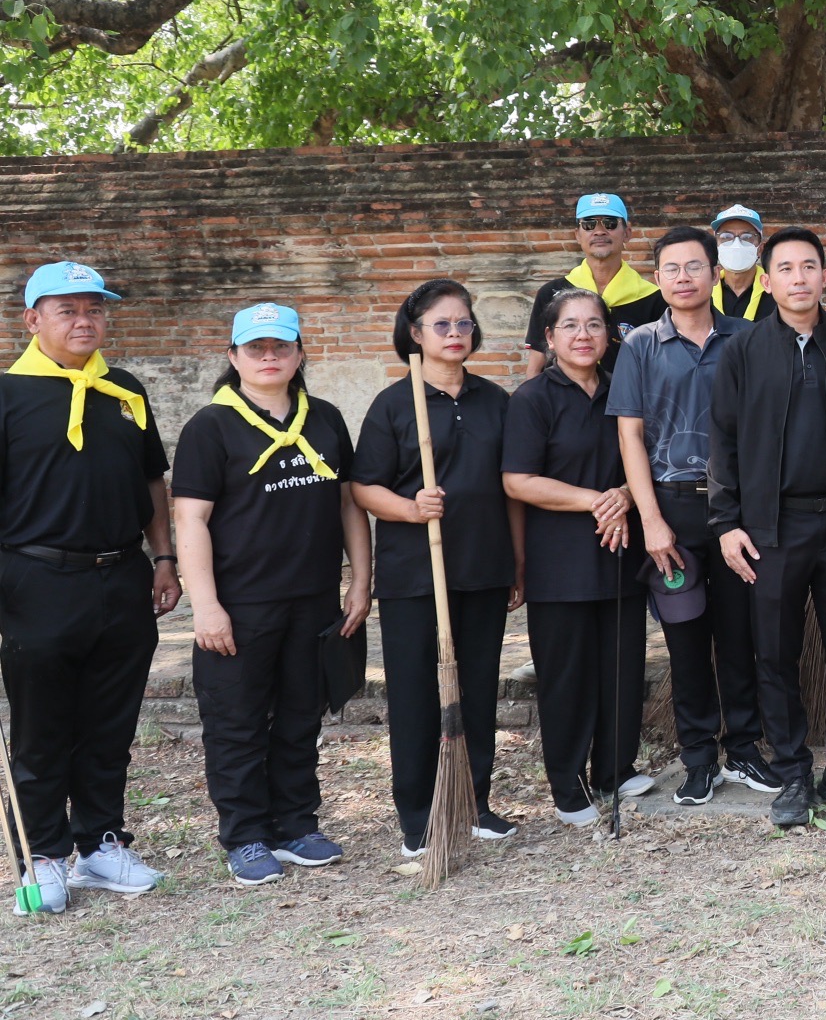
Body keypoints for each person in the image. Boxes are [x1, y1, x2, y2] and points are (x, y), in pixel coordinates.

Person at [172, 304, 371, 885]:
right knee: (236, 724)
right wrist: (204, 605)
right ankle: (245, 836)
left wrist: (360, 580)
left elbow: (347, 503)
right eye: (255, 348)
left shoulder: (326, 418)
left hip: (311, 600)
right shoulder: (210, 427)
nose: (269, 357)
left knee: (299, 717)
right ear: (233, 357)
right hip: (239, 605)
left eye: (280, 347)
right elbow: (190, 521)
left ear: (300, 354)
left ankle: (295, 825)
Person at [0, 262, 177, 910]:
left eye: (94, 309)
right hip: (35, 579)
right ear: (33, 320)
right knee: (42, 729)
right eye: (68, 309)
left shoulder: (124, 391)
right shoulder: (8, 394)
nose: (84, 320)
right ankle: (43, 856)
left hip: (122, 577)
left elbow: (153, 482)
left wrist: (163, 557)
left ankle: (100, 845)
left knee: (109, 726)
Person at [710, 228, 826, 829]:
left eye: (809, 266)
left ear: (824, 275)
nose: (798, 278)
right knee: (775, 655)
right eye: (784, 267)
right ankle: (792, 773)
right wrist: (727, 522)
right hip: (771, 529)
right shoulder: (742, 349)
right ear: (767, 279)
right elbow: (724, 443)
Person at [350, 279, 522, 852]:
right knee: (417, 693)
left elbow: (512, 489)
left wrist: (517, 563)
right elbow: (363, 488)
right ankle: (418, 814)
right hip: (414, 576)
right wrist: (409, 507)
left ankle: (473, 801)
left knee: (475, 689)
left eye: (464, 323)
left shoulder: (496, 401)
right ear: (415, 335)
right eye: (441, 324)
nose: (455, 333)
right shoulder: (396, 404)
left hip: (482, 566)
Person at [610, 227, 774, 804]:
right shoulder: (638, 347)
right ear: (657, 278)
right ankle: (699, 756)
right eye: (672, 268)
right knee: (684, 640)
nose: (683, 277)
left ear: (716, 273)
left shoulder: (750, 339)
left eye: (694, 267)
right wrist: (651, 520)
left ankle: (746, 752)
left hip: (737, 511)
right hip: (671, 510)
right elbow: (630, 435)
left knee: (739, 636)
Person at [502, 288, 652, 828]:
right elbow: (518, 480)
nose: (583, 335)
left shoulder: (624, 391)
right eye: (570, 326)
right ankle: (568, 785)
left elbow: (649, 459)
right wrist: (597, 499)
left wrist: (627, 497)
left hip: (619, 552)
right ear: (549, 338)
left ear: (611, 335)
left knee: (622, 665)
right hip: (558, 560)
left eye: (594, 325)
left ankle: (615, 768)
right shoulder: (532, 398)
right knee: (567, 676)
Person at [525, 193, 665, 375]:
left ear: (627, 233)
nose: (599, 231)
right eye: (589, 224)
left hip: (630, 400)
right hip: (563, 400)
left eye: (610, 223)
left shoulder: (653, 299)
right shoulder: (552, 293)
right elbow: (536, 365)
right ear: (577, 235)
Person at [711, 204, 772, 321]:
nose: (736, 244)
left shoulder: (776, 291)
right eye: (726, 236)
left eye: (747, 237)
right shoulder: (703, 292)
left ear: (760, 249)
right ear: (716, 247)